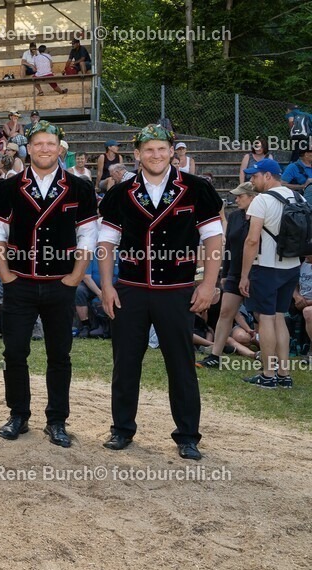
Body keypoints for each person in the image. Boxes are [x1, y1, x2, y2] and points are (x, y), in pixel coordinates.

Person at [98, 124, 223, 460]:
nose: (155, 155)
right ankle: (122, 429)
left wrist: (209, 285)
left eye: (161, 149)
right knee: (125, 363)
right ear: (137, 154)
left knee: (181, 364)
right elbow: (106, 243)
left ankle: (187, 436)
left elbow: (213, 239)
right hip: (131, 290)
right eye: (148, 150)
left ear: (172, 151)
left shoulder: (197, 189)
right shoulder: (119, 193)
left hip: (178, 290)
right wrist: (108, 285)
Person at [0, 120, 98, 448]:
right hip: (20, 283)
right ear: (29, 148)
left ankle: (57, 420)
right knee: (15, 351)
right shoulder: (8, 187)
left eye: (51, 143)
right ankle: (18, 415)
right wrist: (5, 273)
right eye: (38, 144)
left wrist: (76, 277)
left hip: (60, 285)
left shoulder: (80, 188)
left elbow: (87, 235)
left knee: (59, 354)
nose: (45, 149)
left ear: (60, 148)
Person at [240, 158, 302, 389]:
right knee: (279, 317)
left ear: (267, 176)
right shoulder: (298, 197)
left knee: (265, 318)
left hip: (266, 267)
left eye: (254, 176)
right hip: (291, 265)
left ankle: (268, 375)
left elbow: (252, 239)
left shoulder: (262, 200)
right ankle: (284, 374)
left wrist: (245, 274)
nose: (251, 180)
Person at [197, 182, 257, 369]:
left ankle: (268, 356)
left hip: (257, 271)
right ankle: (215, 356)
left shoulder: (261, 217)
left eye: (241, 196)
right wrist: (226, 272)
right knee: (225, 312)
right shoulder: (235, 217)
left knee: (262, 315)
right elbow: (230, 246)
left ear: (253, 197)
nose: (236, 199)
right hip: (234, 272)